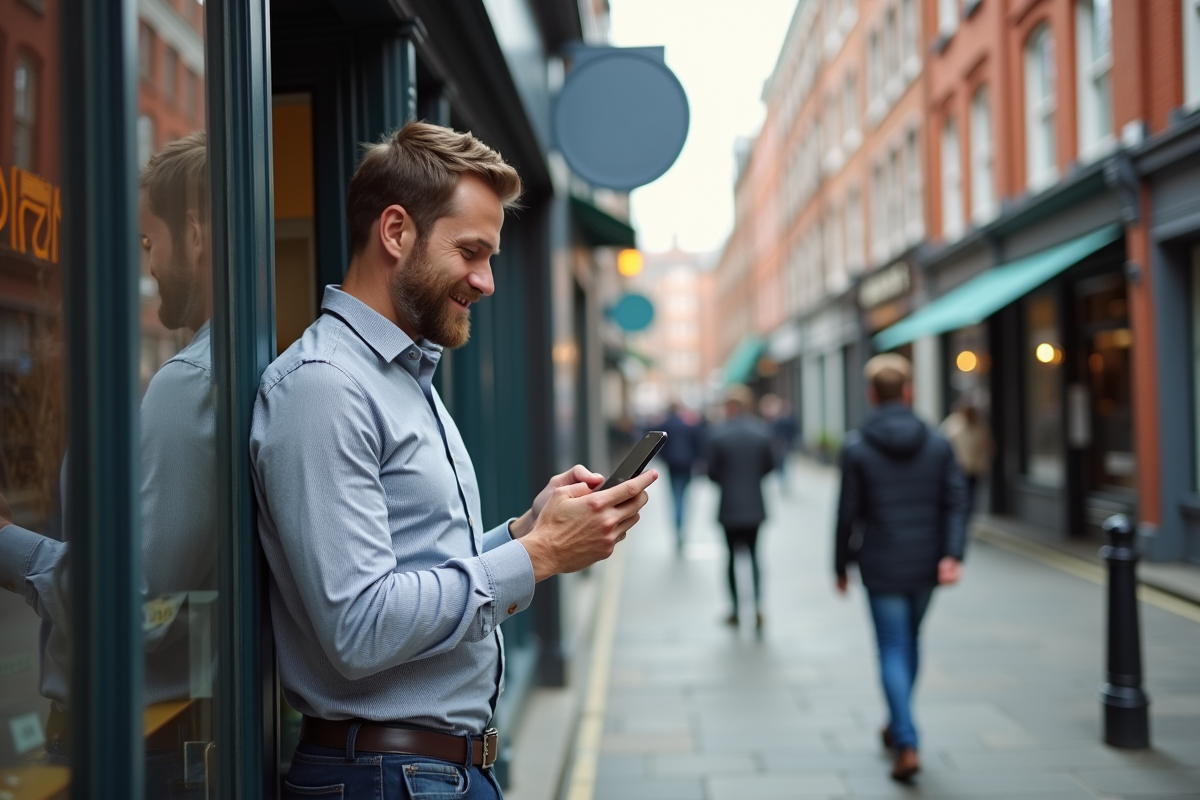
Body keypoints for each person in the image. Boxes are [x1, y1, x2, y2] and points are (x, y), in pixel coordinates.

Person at [248, 122, 656, 800]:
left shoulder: (403, 378)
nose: (487, 281)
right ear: (396, 231)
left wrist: (526, 532)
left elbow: (416, 568)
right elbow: (357, 626)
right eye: (471, 251)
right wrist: (540, 557)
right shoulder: (324, 386)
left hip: (427, 773)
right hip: (386, 776)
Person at [0, 131, 218, 797]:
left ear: (194, 232)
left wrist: (7, 545)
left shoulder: (190, 383)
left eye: (149, 243)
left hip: (137, 747)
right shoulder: (229, 366)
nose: (147, 264)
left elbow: (140, 608)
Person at [833, 354, 967, 782]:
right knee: (909, 641)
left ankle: (906, 738)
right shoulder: (938, 442)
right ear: (908, 391)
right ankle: (900, 723)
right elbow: (956, 503)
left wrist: (839, 564)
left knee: (892, 646)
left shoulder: (857, 446)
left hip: (881, 562)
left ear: (872, 394)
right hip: (927, 562)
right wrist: (953, 553)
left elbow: (846, 512)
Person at [706, 384, 775, 631]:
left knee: (732, 559)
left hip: (730, 507)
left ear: (729, 406)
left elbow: (711, 473)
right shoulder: (762, 432)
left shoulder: (718, 435)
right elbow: (770, 466)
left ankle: (735, 609)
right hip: (755, 506)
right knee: (755, 557)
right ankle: (757, 606)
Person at [658, 402, 703, 552]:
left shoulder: (666, 425)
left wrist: (666, 459)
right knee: (683, 496)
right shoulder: (688, 426)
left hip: (673, 465)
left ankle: (678, 529)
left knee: (675, 497)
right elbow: (698, 445)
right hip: (686, 465)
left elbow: (660, 447)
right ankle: (681, 527)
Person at [940, 397, 994, 520]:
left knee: (971, 497)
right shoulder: (953, 424)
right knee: (959, 497)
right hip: (958, 469)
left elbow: (988, 448)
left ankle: (967, 519)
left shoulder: (981, 426)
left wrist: (983, 464)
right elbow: (943, 444)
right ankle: (961, 519)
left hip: (974, 470)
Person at [759, 393, 798, 483]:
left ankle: (783, 480)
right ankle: (782, 479)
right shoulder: (772, 420)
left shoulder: (783, 420)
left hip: (782, 445)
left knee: (782, 463)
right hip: (778, 445)